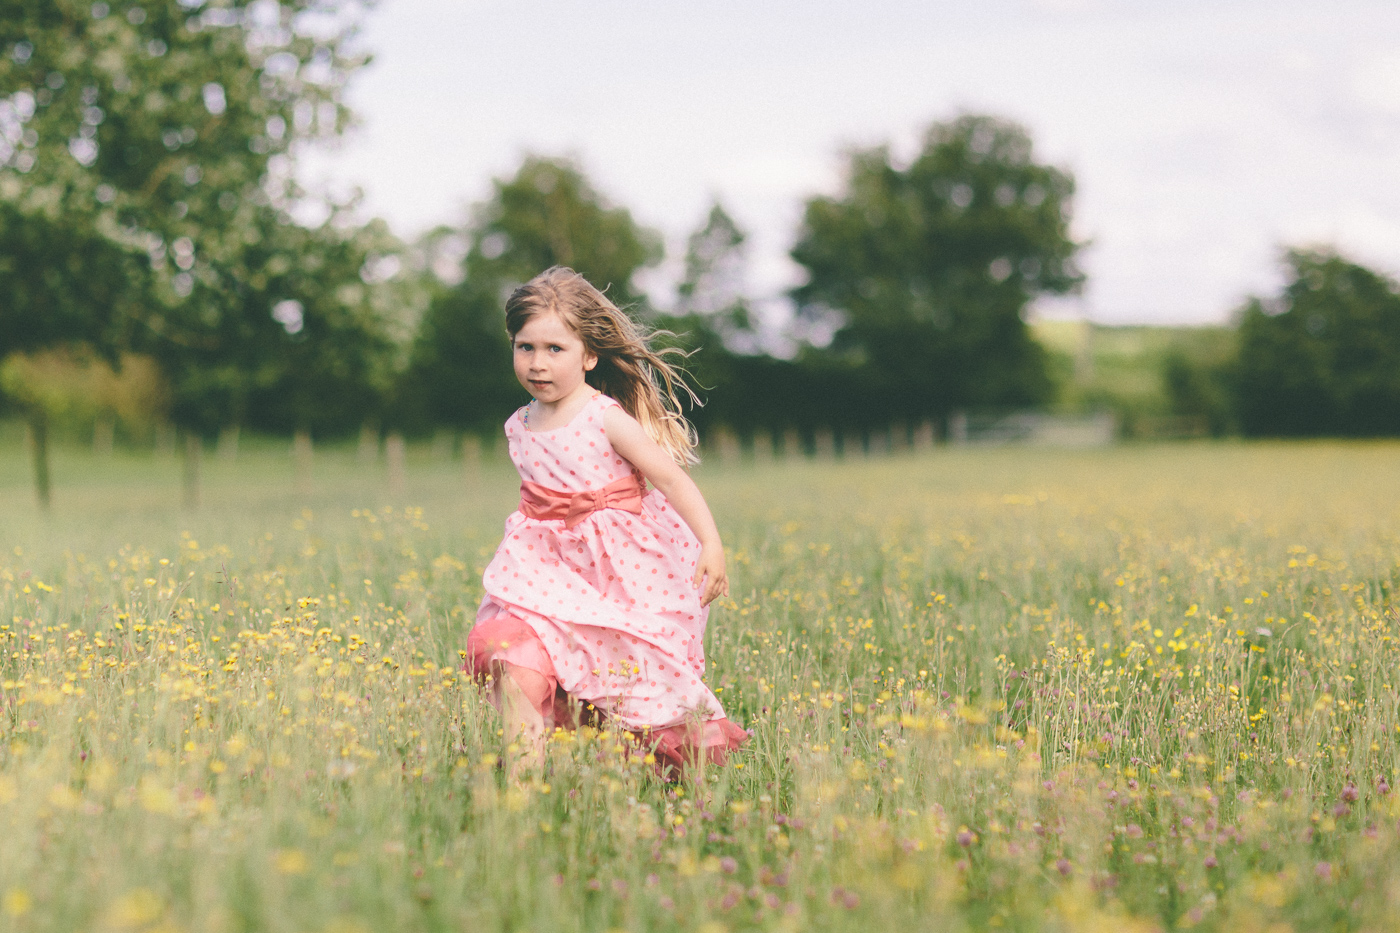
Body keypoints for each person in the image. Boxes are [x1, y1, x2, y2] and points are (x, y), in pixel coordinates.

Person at [465, 266, 748, 778]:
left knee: (642, 684)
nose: (537, 363)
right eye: (524, 347)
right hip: (545, 575)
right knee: (513, 655)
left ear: (590, 355)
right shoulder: (519, 424)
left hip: (622, 575)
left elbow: (673, 482)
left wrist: (711, 543)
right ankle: (522, 789)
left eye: (555, 349)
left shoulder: (604, 417)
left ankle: (684, 780)